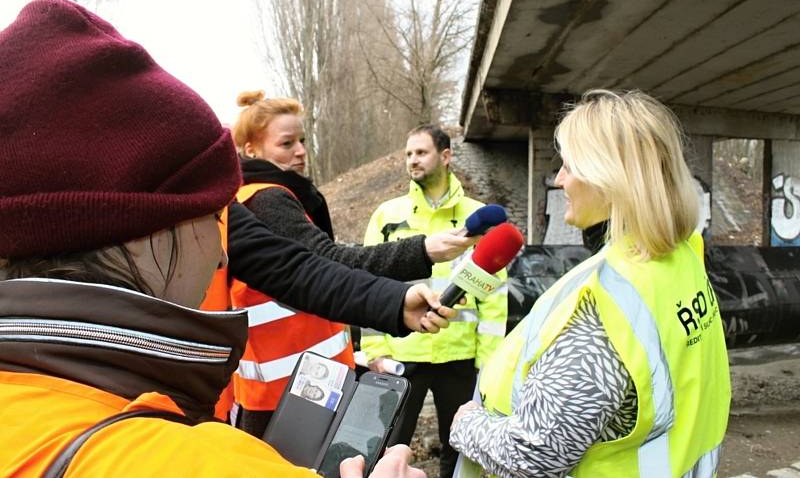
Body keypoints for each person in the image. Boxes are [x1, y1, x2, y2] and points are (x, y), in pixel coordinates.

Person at [0, 0, 449, 477]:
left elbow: (297, 266)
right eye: (212, 215)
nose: (220, 256)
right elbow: (307, 262)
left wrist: (393, 300)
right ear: (142, 227)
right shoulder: (196, 464)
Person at [449, 90, 731, 477]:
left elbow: (536, 455)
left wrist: (467, 424)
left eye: (570, 165)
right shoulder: (685, 258)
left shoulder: (601, 308)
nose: (560, 179)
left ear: (610, 177)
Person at [228, 92, 477, 438]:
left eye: (302, 140)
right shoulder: (268, 200)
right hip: (291, 394)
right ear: (251, 150)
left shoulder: (261, 197)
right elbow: (329, 262)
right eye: (286, 144)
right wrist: (424, 251)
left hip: (294, 386)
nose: (300, 151)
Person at [360, 125, 508, 478]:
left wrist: (488, 361)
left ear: (445, 156)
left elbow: (494, 296)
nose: (412, 160)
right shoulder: (387, 215)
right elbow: (368, 283)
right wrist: (374, 348)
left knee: (461, 449)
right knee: (387, 445)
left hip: (459, 358)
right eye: (409, 153)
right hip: (402, 355)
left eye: (421, 152)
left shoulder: (479, 216)